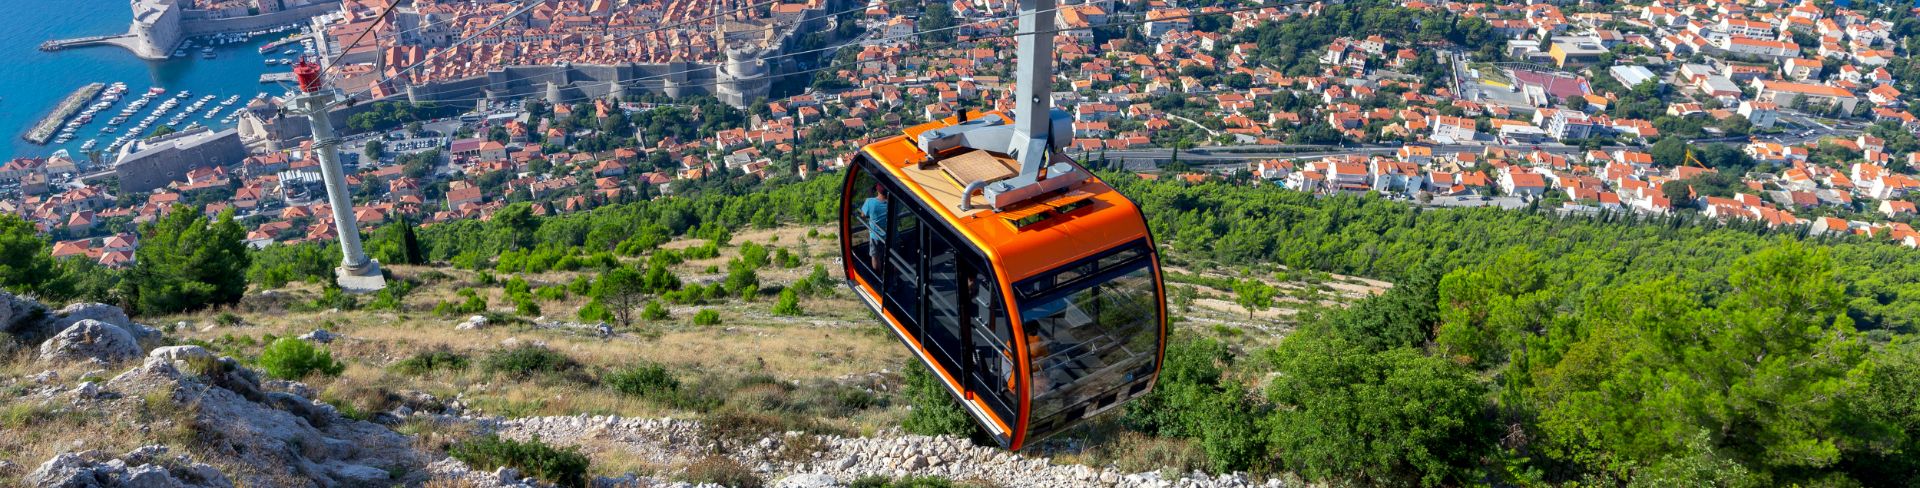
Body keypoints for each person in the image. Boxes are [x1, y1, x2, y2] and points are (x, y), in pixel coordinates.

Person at [861, 186, 888, 270]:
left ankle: (878, 276)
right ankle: (894, 278)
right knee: (893, 257)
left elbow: (863, 215)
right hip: (892, 235)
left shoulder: (869, 202)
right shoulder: (894, 202)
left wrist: (870, 196)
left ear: (877, 190)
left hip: (876, 236)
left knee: (875, 257)